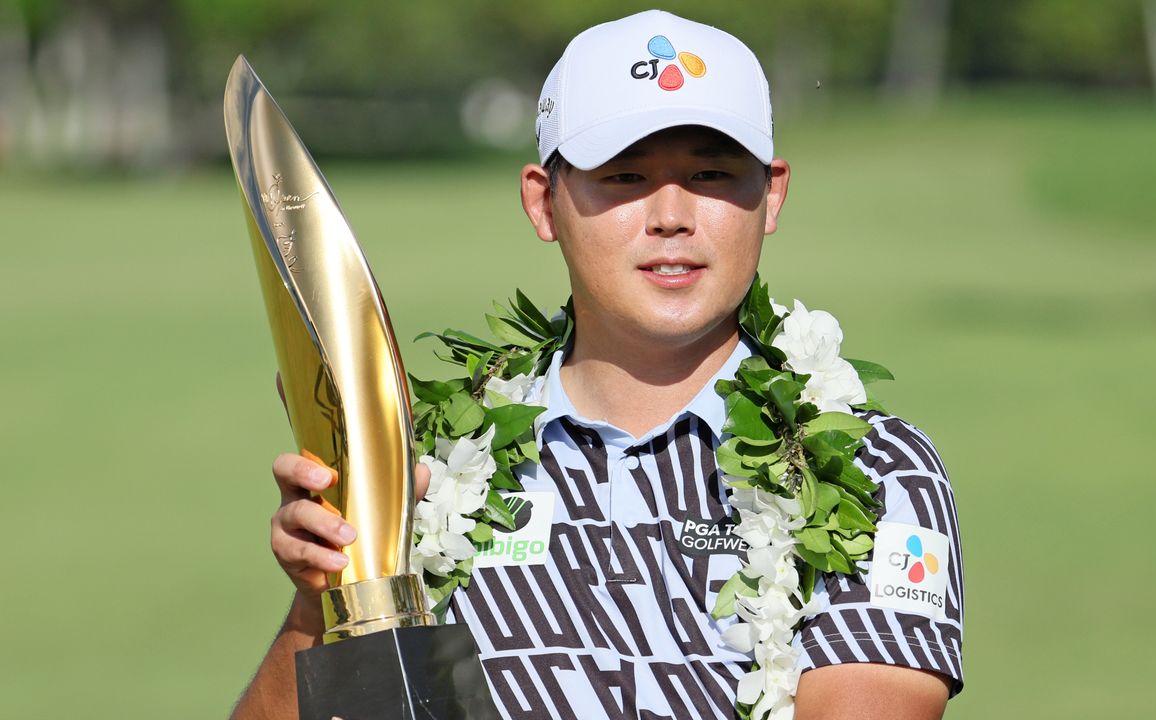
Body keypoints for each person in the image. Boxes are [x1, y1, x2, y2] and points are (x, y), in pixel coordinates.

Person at [232, 10, 963, 720]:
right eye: (623, 178)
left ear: (769, 196)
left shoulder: (873, 472)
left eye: (711, 173)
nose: (671, 214)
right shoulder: (430, 472)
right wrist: (327, 596)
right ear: (544, 202)